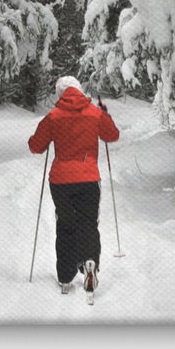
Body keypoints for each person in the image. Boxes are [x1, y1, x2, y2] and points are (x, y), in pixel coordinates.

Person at [28, 76, 119, 296]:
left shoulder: (54, 116)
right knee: (88, 223)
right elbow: (112, 135)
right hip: (88, 179)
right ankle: (90, 264)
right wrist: (105, 115)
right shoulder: (94, 113)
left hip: (60, 182)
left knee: (66, 225)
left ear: (60, 94)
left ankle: (66, 277)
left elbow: (35, 146)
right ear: (79, 91)